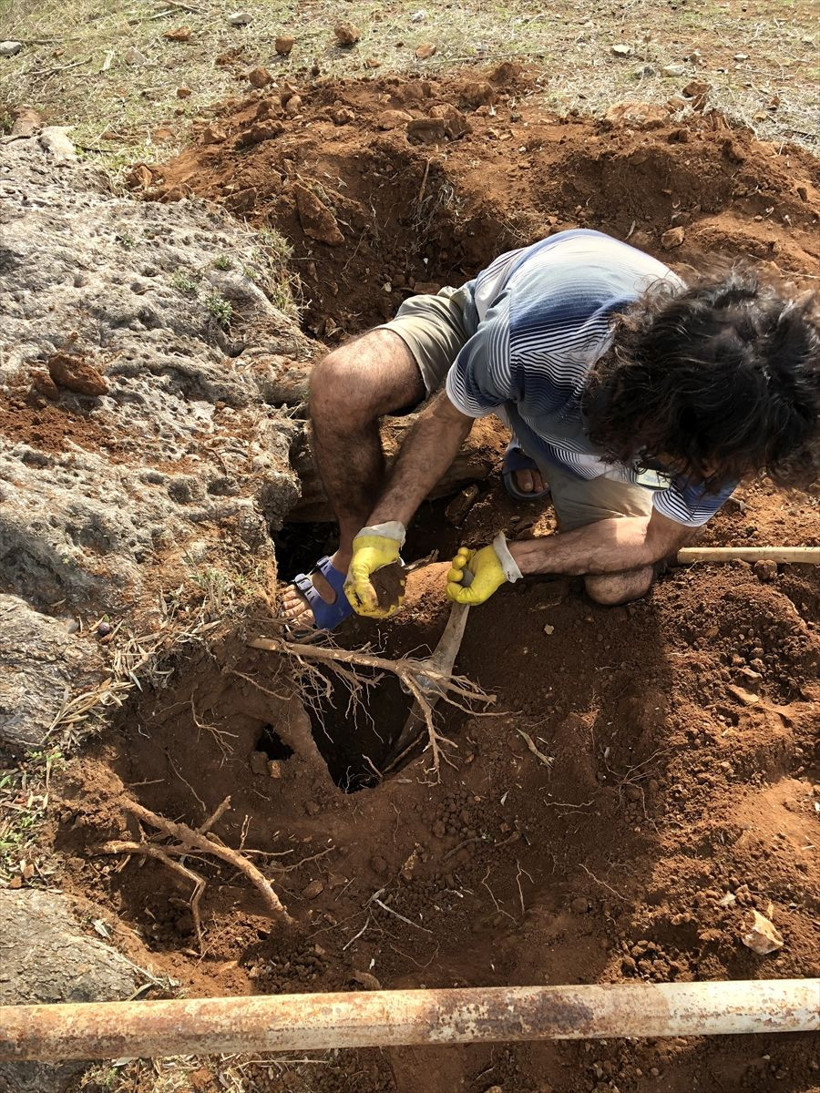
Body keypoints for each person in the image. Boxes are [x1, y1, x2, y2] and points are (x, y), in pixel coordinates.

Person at [279, 229, 819, 628]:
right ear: (653, 415)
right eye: (690, 463)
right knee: (341, 384)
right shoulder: (535, 336)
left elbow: (653, 539)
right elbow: (450, 414)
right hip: (483, 323)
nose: (707, 477)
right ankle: (351, 552)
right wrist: (384, 528)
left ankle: (538, 448)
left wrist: (512, 559)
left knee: (620, 582)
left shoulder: (737, 429)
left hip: (588, 418)